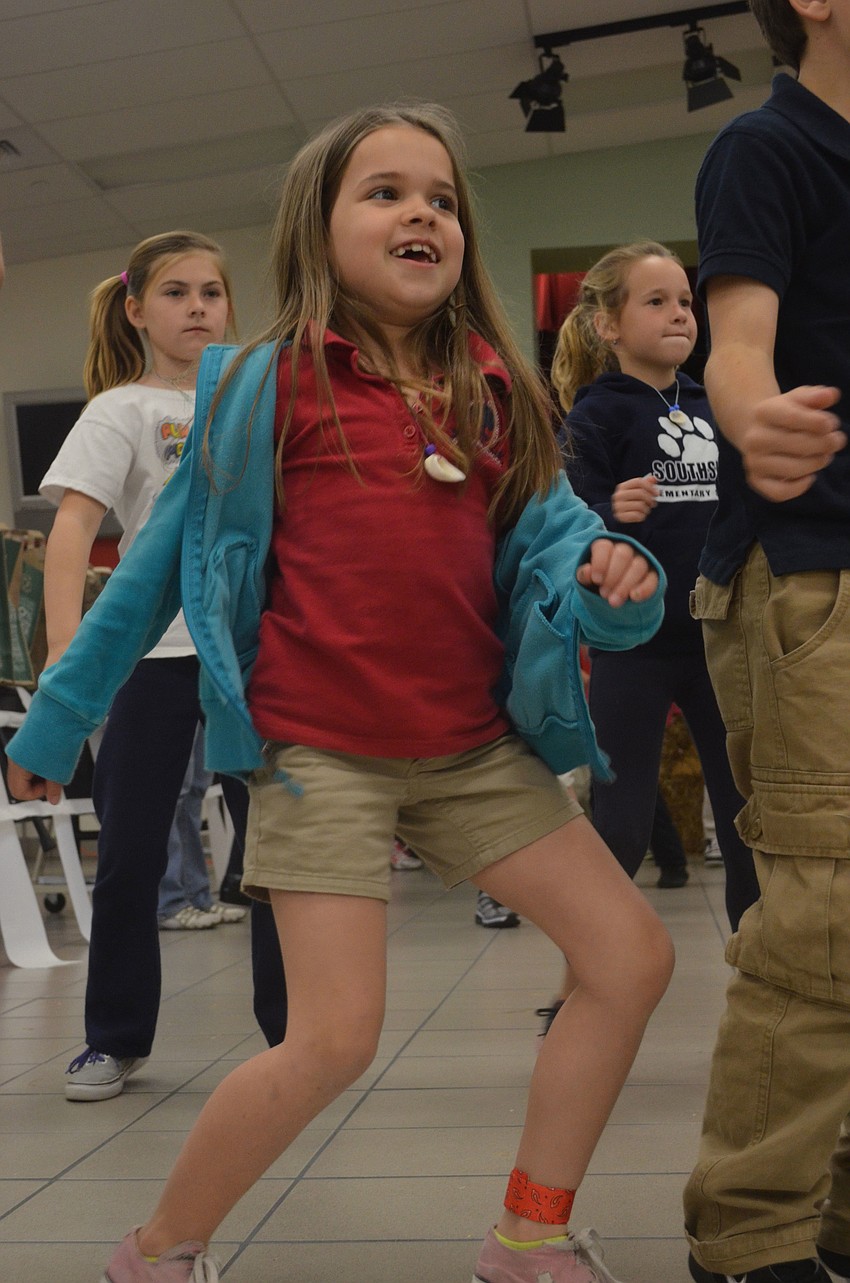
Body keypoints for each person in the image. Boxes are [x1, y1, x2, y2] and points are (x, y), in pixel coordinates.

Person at [6, 103, 674, 1283]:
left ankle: (528, 1231)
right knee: (329, 1037)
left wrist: (619, 587)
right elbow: (147, 577)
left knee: (629, 957)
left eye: (442, 196)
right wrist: (59, 721)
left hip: (474, 749)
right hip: (320, 751)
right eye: (385, 191)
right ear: (318, 231)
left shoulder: (495, 394)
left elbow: (569, 559)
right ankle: (158, 1248)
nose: (422, 210)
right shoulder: (260, 388)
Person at [680, 3, 850, 1281]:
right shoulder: (768, 145)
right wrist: (757, 421)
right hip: (810, 574)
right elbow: (736, 347)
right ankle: (748, 1229)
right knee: (824, 912)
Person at [39, 231, 284, 1103]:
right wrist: (68, 649)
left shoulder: (255, 402)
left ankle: (290, 1040)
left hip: (250, 658)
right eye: (176, 293)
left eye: (212, 293)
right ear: (138, 309)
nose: (197, 309)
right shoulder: (121, 409)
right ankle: (114, 1037)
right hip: (150, 657)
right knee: (132, 851)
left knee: (275, 854)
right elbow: (73, 525)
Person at [552, 241, 758, 934]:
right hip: (632, 647)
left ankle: (761, 970)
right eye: (656, 301)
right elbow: (568, 524)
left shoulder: (715, 403)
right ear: (609, 325)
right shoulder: (596, 415)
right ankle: (589, 972)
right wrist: (615, 511)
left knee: (743, 818)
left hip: (717, 641)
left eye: (686, 301)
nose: (680, 313)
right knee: (621, 820)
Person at [157, 723, 247, 930]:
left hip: (196, 695)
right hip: (162, 696)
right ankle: (169, 903)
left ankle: (197, 896)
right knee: (172, 792)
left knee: (194, 791)